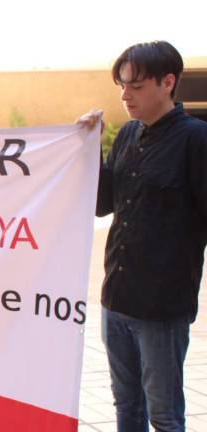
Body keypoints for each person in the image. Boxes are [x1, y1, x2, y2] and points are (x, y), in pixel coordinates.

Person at [81, 41, 207, 431]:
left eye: (135, 85)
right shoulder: (127, 136)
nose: (125, 95)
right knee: (126, 406)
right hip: (116, 297)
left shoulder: (196, 140)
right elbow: (102, 204)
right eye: (121, 85)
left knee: (164, 415)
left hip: (162, 307)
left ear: (168, 82)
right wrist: (89, 148)